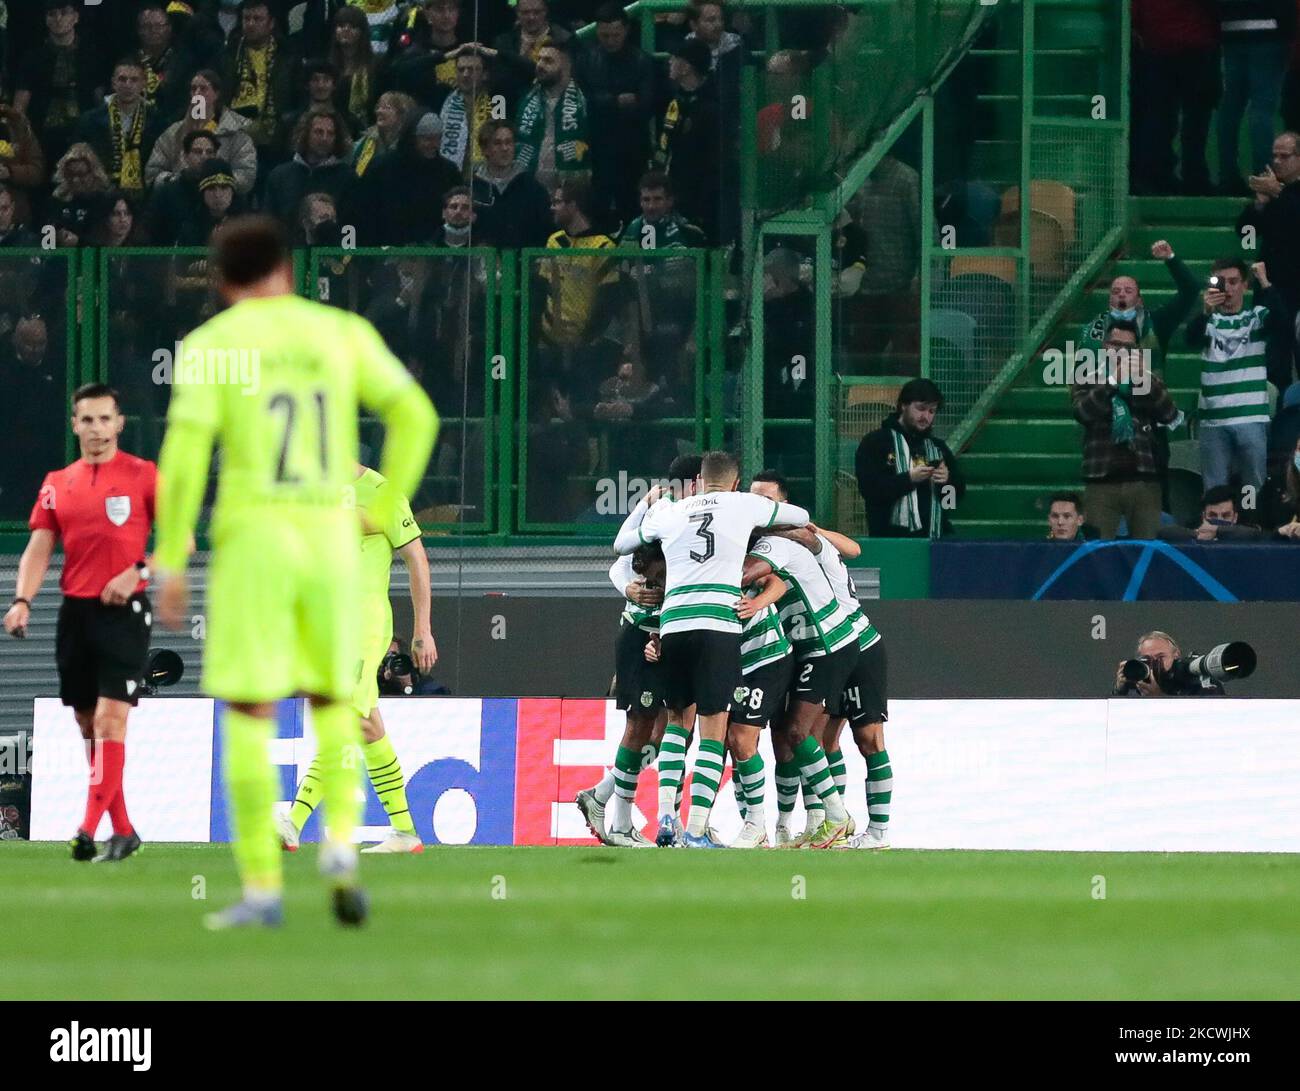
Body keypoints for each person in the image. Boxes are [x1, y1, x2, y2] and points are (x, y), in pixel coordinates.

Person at [151, 215, 438, 929]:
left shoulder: (213, 347)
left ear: (220, 284)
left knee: (249, 713)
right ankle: (339, 842)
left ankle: (261, 886)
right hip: (328, 549)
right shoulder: (338, 333)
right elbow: (416, 414)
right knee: (334, 705)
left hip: (254, 543)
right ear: (288, 270)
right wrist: (383, 499)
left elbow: (185, 457)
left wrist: (171, 553)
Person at [612, 450, 819, 849]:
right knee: (712, 731)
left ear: (700, 481)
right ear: (736, 482)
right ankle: (695, 830)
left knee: (675, 723)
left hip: (674, 624)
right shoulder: (743, 505)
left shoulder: (672, 511)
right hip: (718, 625)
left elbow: (622, 544)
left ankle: (666, 818)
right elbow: (799, 515)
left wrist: (645, 507)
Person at [4, 384, 156, 864]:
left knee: (113, 721)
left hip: (125, 613)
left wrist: (140, 571)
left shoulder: (143, 475)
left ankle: (86, 830)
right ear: (74, 425)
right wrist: (22, 600)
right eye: (86, 420)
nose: (95, 429)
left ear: (119, 423)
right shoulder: (57, 482)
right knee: (89, 725)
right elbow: (40, 546)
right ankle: (125, 830)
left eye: (103, 419)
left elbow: (181, 541)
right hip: (76, 614)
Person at [278, 463, 437, 855]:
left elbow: (417, 559)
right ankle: (404, 831)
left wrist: (422, 629)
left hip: (364, 626)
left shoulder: (382, 491)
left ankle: (293, 821)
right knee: (367, 725)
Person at [750, 471, 891, 851]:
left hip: (854, 639)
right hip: (825, 643)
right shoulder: (775, 543)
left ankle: (873, 829)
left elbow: (832, 543)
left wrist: (797, 527)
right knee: (820, 738)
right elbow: (852, 549)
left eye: (766, 500)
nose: (757, 507)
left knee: (868, 738)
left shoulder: (800, 540)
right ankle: (829, 821)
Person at [576, 454, 701, 847]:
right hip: (644, 633)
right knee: (641, 724)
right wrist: (643, 506)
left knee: (669, 731)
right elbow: (621, 554)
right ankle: (622, 823)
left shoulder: (698, 519)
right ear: (695, 482)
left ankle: (602, 794)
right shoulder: (664, 512)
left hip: (669, 634)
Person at [740, 501, 861, 849]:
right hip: (811, 648)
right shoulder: (774, 544)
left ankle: (835, 816)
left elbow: (746, 575)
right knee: (795, 734)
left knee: (798, 731)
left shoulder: (775, 545)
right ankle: (822, 819)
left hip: (828, 645)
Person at [1071, 319, 1179, 539]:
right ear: (1104, 347)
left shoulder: (1147, 379)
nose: (1121, 351)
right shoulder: (1087, 377)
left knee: (1146, 553)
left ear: (1137, 351)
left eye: (1128, 347)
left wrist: (1145, 380)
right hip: (1101, 478)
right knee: (1099, 555)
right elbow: (1083, 412)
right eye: (1115, 345)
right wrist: (1113, 381)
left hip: (1144, 479)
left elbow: (1169, 414)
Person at [1186, 259, 1281, 494]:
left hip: (1250, 417)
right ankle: (1217, 529)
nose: (1227, 288)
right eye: (1221, 282)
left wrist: (1266, 282)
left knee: (1253, 488)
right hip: (1213, 419)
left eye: (1234, 282)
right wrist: (1205, 311)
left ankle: (1252, 525)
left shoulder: (1256, 317)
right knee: (1215, 490)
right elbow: (1190, 339)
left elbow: (1282, 321)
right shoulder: (1209, 321)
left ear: (1245, 286)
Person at [1129, 0, 1220, 195]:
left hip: (1157, 47)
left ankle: (1155, 176)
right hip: (1197, 46)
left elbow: (1134, 11)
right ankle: (1194, 177)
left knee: (1159, 117)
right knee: (1196, 119)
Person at [855, 377, 965, 538]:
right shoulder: (876, 442)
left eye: (932, 411)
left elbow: (952, 502)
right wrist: (909, 479)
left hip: (934, 542)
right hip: (890, 541)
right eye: (921, 408)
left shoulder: (938, 448)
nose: (926, 416)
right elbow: (870, 491)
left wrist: (947, 482)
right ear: (903, 406)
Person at [576, 3, 656, 224]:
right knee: (596, 207)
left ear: (626, 30)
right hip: (596, 146)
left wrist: (604, 102)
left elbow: (646, 105)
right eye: (604, 35)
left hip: (632, 148)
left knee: (632, 206)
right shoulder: (587, 60)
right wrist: (616, 101)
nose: (610, 40)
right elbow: (582, 100)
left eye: (615, 34)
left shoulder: (641, 61)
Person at [1236, 131, 1300, 389]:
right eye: (1274, 155)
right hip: (1268, 285)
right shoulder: (1272, 192)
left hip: (1295, 288)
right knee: (1268, 352)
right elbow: (1245, 234)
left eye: (1284, 156)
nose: (1277, 161)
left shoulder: (1286, 195)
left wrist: (1278, 194)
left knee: (1288, 350)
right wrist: (1260, 204)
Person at [1216, 0, 1295, 195]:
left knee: (1230, 110)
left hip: (1231, 29)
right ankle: (1264, 178)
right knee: (1262, 109)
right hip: (1269, 29)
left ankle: (1227, 177)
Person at [12, 1, 102, 170]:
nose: (58, 19)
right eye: (52, 14)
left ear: (76, 17)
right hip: (43, 133)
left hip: (84, 132)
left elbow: (99, 100)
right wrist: (19, 139)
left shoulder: (91, 54)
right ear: (46, 20)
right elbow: (20, 106)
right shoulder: (33, 57)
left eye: (64, 12)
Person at [146, 69, 259, 196]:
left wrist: (215, 182)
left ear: (216, 94)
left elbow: (246, 175)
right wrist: (180, 180)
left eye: (203, 89)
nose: (197, 93)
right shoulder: (174, 132)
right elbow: (153, 173)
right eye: (194, 89)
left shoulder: (236, 132)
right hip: (181, 200)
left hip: (222, 201)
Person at [653, 38, 722, 243]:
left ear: (686, 67)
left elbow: (712, 159)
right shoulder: (675, 100)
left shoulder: (711, 107)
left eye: (674, 59)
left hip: (702, 197)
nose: (670, 63)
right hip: (676, 189)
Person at [74, 58, 164, 203]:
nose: (128, 85)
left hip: (144, 194)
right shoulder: (90, 120)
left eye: (134, 80)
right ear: (113, 83)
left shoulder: (156, 120)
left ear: (143, 84)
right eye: (122, 79)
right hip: (100, 193)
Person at [513, 44, 590, 196]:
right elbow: (498, 99)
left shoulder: (585, 99)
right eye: (539, 59)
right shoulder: (525, 96)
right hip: (529, 181)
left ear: (566, 66)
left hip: (572, 185)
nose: (540, 65)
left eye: (548, 61)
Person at [262, 107, 354, 233]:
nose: (324, 138)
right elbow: (268, 222)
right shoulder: (280, 176)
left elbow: (351, 228)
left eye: (330, 133)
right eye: (318, 132)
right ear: (305, 134)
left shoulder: (347, 177)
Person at [470, 119, 551, 247]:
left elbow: (547, 229)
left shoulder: (532, 188)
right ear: (485, 149)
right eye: (497, 143)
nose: (505, 148)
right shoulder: (472, 188)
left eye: (509, 142)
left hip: (523, 263)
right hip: (484, 263)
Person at [145, 129, 220, 245]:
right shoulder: (168, 192)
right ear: (185, 156)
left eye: (210, 152)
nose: (204, 157)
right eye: (198, 152)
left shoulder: (225, 191)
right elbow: (153, 231)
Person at [1112, 630, 1225, 696]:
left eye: (1160, 657)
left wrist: (1158, 697)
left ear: (1176, 655)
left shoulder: (1196, 679)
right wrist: (1119, 690)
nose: (1155, 663)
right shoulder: (1139, 682)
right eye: (1147, 659)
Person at [1158, 485, 1265, 540]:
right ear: (1204, 515)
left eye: (1226, 515)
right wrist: (1196, 535)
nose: (1219, 520)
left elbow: (1254, 534)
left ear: (1235, 517)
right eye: (1213, 515)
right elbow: (1164, 531)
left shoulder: (1244, 534)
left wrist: (1216, 530)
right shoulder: (1193, 528)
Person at [177, 158, 245, 245]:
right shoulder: (190, 226)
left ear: (232, 192)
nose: (218, 195)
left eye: (224, 188)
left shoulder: (246, 224)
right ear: (202, 193)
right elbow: (184, 257)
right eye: (211, 188)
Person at [351, 89, 418, 176]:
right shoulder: (368, 140)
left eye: (386, 108)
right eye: (378, 107)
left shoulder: (410, 145)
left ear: (402, 114)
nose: (379, 111)